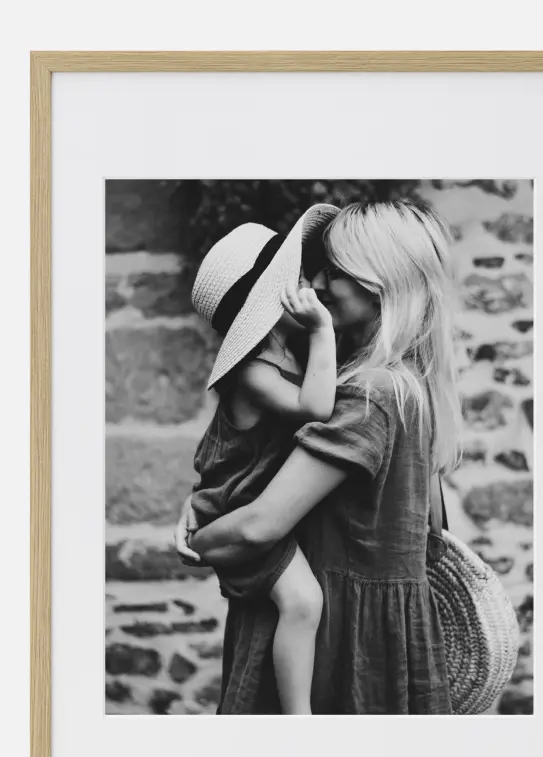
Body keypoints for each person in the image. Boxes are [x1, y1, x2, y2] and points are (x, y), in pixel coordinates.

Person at [177, 198, 463, 714]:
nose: (318, 284)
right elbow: (430, 532)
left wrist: (203, 536)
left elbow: (258, 527)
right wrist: (207, 500)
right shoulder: (400, 385)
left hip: (340, 639)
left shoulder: (368, 394)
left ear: (381, 284)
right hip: (363, 629)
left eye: (336, 271)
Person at [182, 204, 340, 714]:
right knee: (303, 602)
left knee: (301, 603)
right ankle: (298, 716)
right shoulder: (254, 371)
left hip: (253, 495)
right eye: (298, 279)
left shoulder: (290, 352)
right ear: (270, 300)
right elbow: (316, 407)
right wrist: (323, 331)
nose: (312, 284)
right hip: (239, 504)